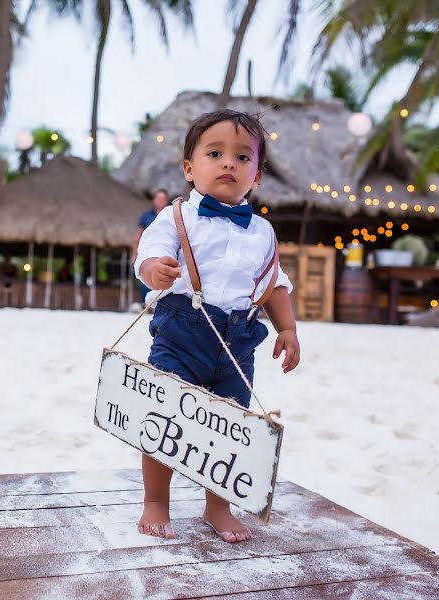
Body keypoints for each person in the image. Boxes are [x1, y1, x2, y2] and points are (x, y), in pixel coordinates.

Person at [134, 110, 301, 544]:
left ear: (257, 175)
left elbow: (274, 284)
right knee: (164, 415)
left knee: (227, 426)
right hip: (181, 331)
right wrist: (154, 270)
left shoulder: (262, 232)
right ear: (190, 168)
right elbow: (147, 253)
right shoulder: (176, 217)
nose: (229, 163)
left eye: (242, 157)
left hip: (238, 341)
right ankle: (156, 501)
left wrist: (288, 329)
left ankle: (217, 506)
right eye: (215, 153)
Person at [133, 189, 171, 303]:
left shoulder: (172, 215)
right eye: (158, 198)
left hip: (167, 250)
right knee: (146, 279)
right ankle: (146, 304)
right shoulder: (146, 217)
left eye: (163, 199)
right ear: (154, 200)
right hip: (148, 251)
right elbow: (138, 236)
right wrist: (134, 253)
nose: (160, 201)